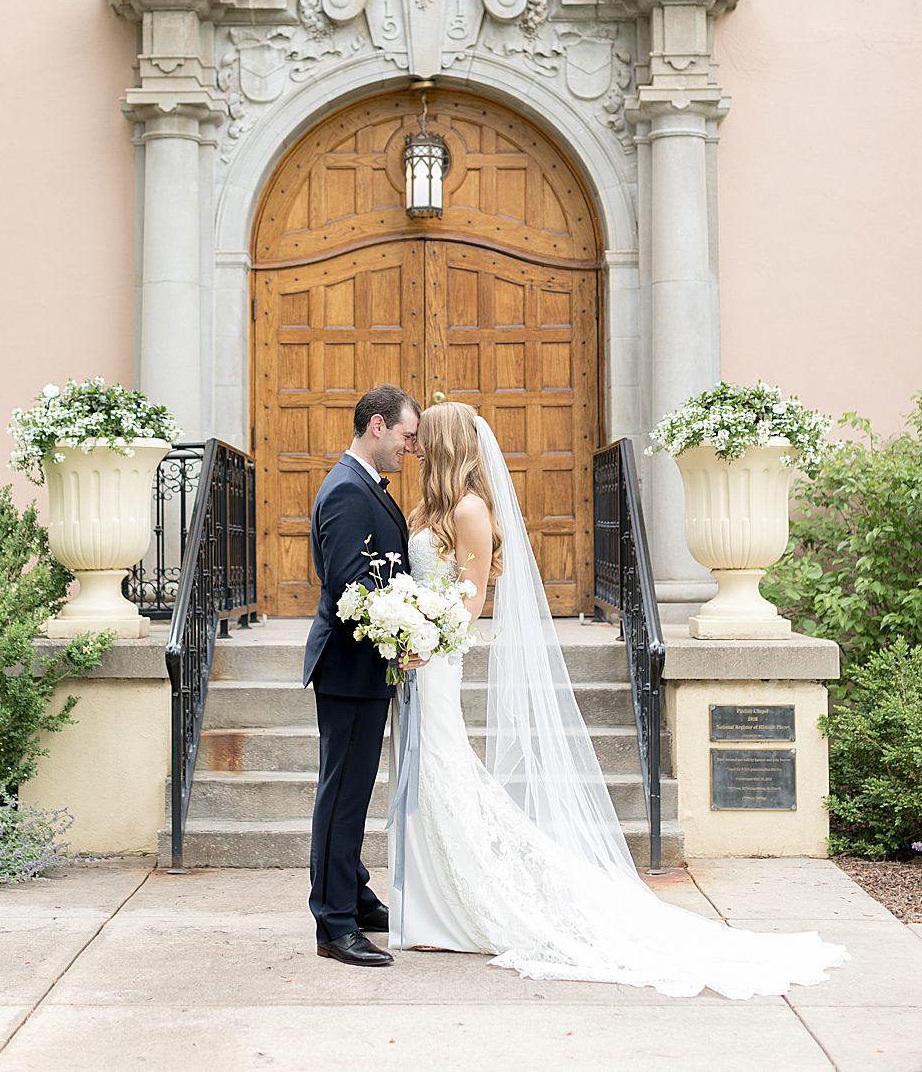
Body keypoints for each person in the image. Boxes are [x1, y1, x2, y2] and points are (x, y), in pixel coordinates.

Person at [389, 400, 849, 997]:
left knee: (442, 766)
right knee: (426, 769)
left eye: (424, 437)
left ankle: (468, 900)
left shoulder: (471, 510)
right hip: (416, 660)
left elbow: (472, 600)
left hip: (436, 658)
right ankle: (433, 903)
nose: (416, 446)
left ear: (447, 442)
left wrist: (427, 636)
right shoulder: (432, 507)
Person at [304, 384, 421, 967]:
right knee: (342, 797)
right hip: (350, 669)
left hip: (363, 669)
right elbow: (351, 588)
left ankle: (354, 895)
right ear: (378, 425)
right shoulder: (349, 491)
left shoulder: (362, 484)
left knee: (350, 791)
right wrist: (401, 637)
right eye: (406, 436)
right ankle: (334, 924)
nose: (410, 448)